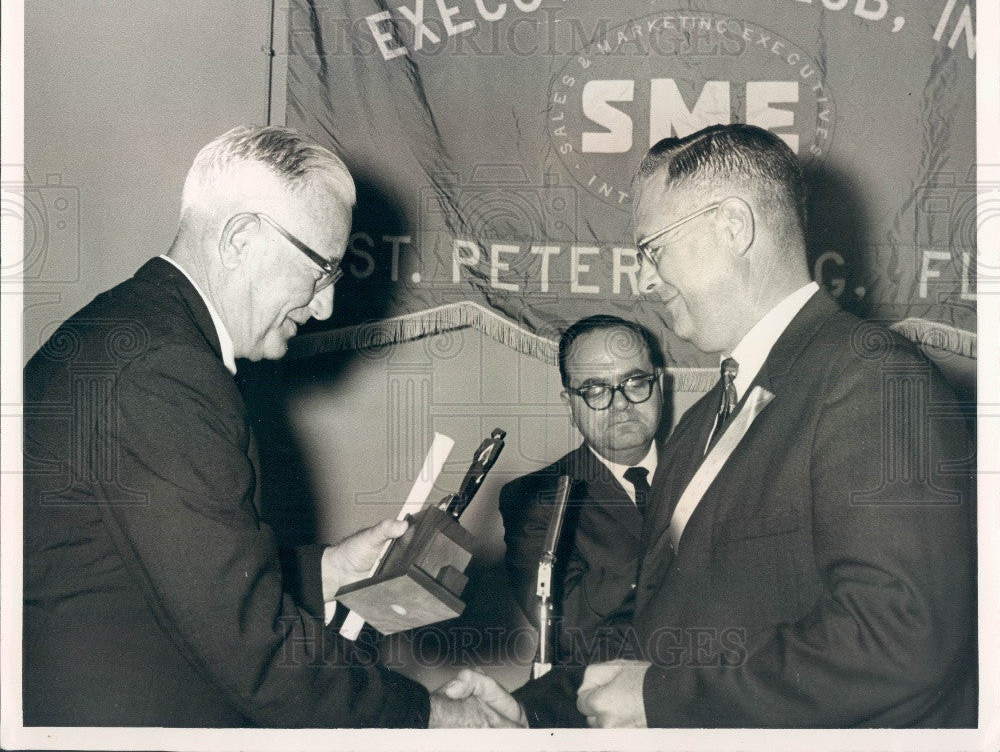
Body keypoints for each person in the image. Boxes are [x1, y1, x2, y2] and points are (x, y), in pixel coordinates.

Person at [444, 123, 976, 728]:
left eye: (653, 250)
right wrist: (528, 712)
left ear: (733, 226)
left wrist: (660, 701)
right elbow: (654, 634)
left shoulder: (876, 378)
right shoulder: (700, 425)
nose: (641, 279)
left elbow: (898, 641)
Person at [22, 125, 514, 728]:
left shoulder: (132, 333)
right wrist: (435, 713)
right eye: (322, 270)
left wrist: (331, 569)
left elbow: (173, 581)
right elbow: (255, 652)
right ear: (242, 237)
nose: (326, 306)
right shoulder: (165, 374)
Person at [498, 315, 667, 663]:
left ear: (660, 385)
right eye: (595, 389)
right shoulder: (535, 497)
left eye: (635, 381)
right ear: (570, 405)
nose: (620, 403)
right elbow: (565, 624)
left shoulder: (710, 468)